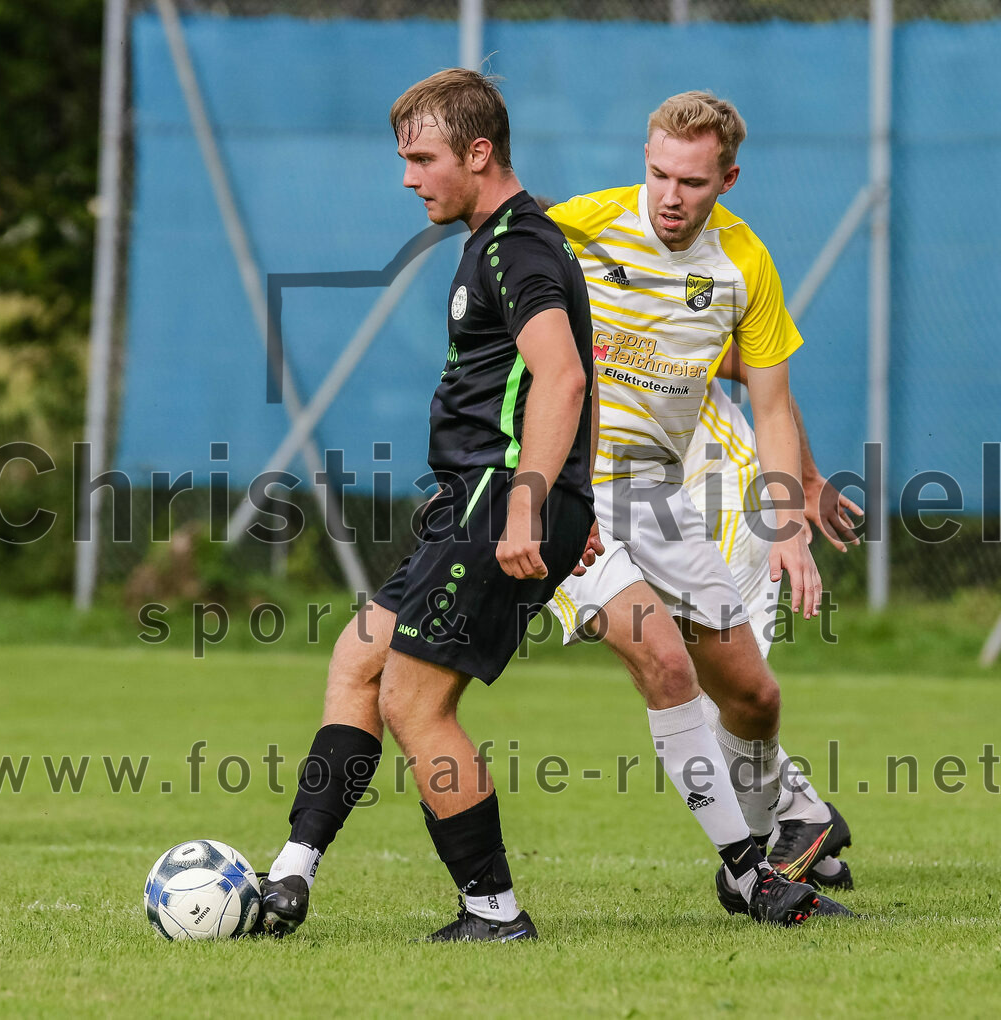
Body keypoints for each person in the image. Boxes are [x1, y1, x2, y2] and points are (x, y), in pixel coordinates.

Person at [259, 68, 596, 942]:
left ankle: (493, 913)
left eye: (422, 158)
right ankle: (291, 873)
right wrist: (560, 497)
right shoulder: (493, 241)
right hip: (473, 501)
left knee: (414, 702)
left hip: (495, 502)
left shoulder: (516, 246)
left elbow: (561, 375)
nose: (409, 177)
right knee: (356, 662)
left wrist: (533, 505)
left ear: (478, 154)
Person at [543, 90, 853, 920]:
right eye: (657, 174)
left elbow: (773, 402)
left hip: (658, 498)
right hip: (567, 493)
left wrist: (791, 526)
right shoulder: (581, 226)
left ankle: (791, 824)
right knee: (666, 666)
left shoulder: (743, 263)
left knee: (753, 697)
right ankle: (752, 876)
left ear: (728, 179)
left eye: (691, 181)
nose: (670, 196)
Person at [682, 344, 863, 891]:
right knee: (698, 686)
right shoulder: (572, 291)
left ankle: (803, 816)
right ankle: (808, 829)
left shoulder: (647, 290)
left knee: (718, 692)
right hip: (667, 514)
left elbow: (767, 377)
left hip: (724, 502)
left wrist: (804, 479)